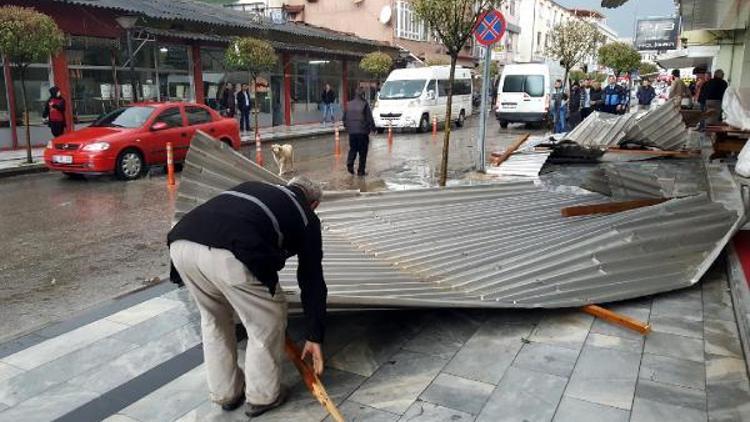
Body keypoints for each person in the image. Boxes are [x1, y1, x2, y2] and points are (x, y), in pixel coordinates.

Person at [168, 176, 326, 418]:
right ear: (313, 204)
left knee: (214, 320)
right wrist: (315, 335)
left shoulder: (256, 187)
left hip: (182, 244)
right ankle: (262, 397)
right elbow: (311, 277)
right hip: (229, 253)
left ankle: (226, 393)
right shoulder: (307, 217)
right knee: (266, 323)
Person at [343, 87, 376, 176]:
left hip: (352, 132)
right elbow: (369, 118)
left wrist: (347, 127)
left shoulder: (348, 104)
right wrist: (373, 129)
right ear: (363, 95)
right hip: (362, 132)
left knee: (353, 149)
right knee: (363, 152)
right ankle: (361, 171)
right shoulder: (364, 104)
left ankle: (350, 164)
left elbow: (344, 118)